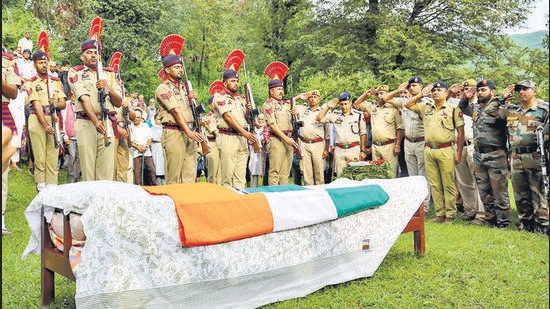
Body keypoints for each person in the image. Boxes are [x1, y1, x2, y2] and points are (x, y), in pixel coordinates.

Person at [406, 82, 465, 223]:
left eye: (439, 90)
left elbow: (461, 134)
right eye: (434, 90)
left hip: (445, 149)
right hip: (429, 149)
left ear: (446, 93)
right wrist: (421, 94)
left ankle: (450, 214)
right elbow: (407, 105)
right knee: (434, 184)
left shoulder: (453, 109)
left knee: (448, 183)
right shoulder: (426, 108)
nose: (436, 92)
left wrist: (458, 154)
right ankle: (440, 213)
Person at [68, 38, 123, 181]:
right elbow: (84, 98)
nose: (93, 55)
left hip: (106, 121)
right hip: (86, 123)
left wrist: (108, 88)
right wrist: (95, 121)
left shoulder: (110, 74)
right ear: (82, 56)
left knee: (106, 170)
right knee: (88, 169)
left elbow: (118, 102)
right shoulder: (75, 72)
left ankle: (103, 202)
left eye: (95, 52)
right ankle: (89, 202)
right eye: (89, 52)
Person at [458, 79, 511, 228]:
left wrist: (500, 98)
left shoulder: (501, 109)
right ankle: (490, 218)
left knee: (499, 191)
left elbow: (495, 116)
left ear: (493, 92)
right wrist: (466, 97)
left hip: (496, 155)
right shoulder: (477, 108)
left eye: (484, 90)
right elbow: (461, 108)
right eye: (479, 90)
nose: (480, 93)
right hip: (479, 155)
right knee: (484, 191)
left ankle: (503, 222)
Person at [501, 80, 549, 234]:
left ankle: (542, 223)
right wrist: (502, 97)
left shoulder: (543, 110)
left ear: (534, 91)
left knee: (538, 190)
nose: (521, 92)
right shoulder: (512, 110)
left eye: (525, 89)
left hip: (535, 154)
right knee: (519, 190)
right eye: (519, 90)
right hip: (516, 155)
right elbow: (491, 111)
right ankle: (525, 222)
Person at [383, 76, 431, 212]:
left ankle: (425, 208)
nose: (411, 88)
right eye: (410, 86)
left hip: (421, 141)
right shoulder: (403, 101)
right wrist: (398, 90)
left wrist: (421, 95)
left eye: (414, 86)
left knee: (423, 176)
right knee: (412, 176)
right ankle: (416, 206)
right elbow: (386, 99)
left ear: (421, 86)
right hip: (408, 142)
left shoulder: (427, 101)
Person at [155, 51, 204, 184]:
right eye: (177, 67)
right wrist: (189, 132)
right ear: (167, 70)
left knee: (189, 175)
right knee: (174, 177)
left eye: (181, 67)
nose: (180, 70)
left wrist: (194, 100)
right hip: (174, 132)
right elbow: (175, 111)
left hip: (189, 132)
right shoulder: (163, 88)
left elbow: (194, 112)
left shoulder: (185, 88)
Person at [26, 49, 66, 192]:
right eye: (40, 62)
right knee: (40, 157)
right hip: (37, 120)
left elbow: (63, 103)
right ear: (34, 65)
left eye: (45, 62)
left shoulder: (55, 81)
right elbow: (36, 104)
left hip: (53, 118)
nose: (43, 65)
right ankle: (41, 191)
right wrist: (44, 124)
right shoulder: (31, 82)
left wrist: (55, 103)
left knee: (52, 157)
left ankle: (52, 191)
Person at [212, 69, 257, 188]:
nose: (235, 83)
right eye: (232, 81)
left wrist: (248, 110)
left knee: (240, 176)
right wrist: (245, 133)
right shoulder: (219, 97)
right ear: (225, 83)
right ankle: (226, 203)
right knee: (227, 176)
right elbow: (228, 117)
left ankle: (239, 200)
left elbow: (247, 119)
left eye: (237, 81)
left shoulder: (240, 98)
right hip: (228, 137)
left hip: (241, 138)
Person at [355, 85, 404, 178]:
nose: (379, 96)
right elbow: (357, 103)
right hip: (375, 147)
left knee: (390, 174)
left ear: (387, 94)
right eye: (377, 94)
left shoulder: (393, 108)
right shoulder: (373, 106)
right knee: (377, 175)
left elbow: (400, 128)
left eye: (381, 93)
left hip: (389, 146)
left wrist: (397, 145)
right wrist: (366, 94)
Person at [262, 77, 303, 186]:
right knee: (275, 171)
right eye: (278, 89)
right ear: (271, 91)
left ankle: (284, 196)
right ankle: (274, 196)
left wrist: (296, 113)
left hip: (289, 139)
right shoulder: (268, 104)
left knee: (285, 173)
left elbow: (295, 122)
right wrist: (286, 139)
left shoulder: (286, 104)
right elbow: (273, 125)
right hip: (277, 140)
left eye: (282, 89)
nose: (281, 91)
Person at [316, 92, 368, 177]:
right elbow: (319, 118)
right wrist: (328, 106)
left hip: (354, 149)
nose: (343, 107)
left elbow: (363, 133)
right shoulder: (335, 115)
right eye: (341, 104)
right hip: (339, 150)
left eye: (345, 104)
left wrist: (363, 150)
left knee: (355, 176)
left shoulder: (358, 115)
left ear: (350, 102)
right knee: (341, 177)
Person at [2, 51, 21, 236]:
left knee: (2, 171)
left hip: (2, 114)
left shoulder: (7, 62)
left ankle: (1, 220)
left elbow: (14, 92)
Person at [294, 90, 330, 185]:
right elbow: (289, 105)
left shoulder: (323, 111)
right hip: (305, 143)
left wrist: (326, 148)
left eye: (315, 97)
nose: (313, 99)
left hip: (318, 144)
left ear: (319, 99)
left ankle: (320, 194)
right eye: (311, 97)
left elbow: (327, 133)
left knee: (319, 173)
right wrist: (298, 97)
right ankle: (309, 193)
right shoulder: (302, 109)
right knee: (307, 173)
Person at [129, 108, 157, 186]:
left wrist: (147, 146)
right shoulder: (130, 127)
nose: (136, 119)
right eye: (135, 117)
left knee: (151, 170)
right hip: (136, 152)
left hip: (146, 151)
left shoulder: (145, 126)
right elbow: (130, 141)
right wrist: (138, 148)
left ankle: (155, 187)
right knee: (137, 172)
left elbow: (150, 137)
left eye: (138, 117)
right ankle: (138, 189)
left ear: (141, 118)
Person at [202, 95, 220, 184]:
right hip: (213, 144)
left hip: (222, 143)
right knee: (213, 170)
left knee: (221, 171)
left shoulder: (222, 116)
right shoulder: (207, 117)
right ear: (210, 105)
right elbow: (213, 130)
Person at [63, 92, 80, 183]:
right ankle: (71, 178)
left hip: (80, 136)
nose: (74, 98)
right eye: (72, 96)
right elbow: (63, 119)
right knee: (72, 156)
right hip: (70, 136)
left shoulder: (80, 104)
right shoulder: (66, 105)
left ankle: (77, 177)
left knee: (79, 158)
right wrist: (64, 135)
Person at [248, 113, 269, 187]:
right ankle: (254, 185)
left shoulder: (265, 127)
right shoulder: (253, 127)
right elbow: (249, 138)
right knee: (253, 167)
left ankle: (264, 185)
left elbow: (266, 137)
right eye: (259, 119)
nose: (260, 121)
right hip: (253, 149)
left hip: (262, 150)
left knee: (263, 168)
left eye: (262, 119)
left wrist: (260, 138)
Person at [150, 113, 164, 185]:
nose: (160, 121)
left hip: (163, 147)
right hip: (155, 148)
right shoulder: (151, 129)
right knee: (156, 165)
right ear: (155, 119)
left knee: (163, 165)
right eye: (158, 119)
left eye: (161, 119)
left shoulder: (164, 128)